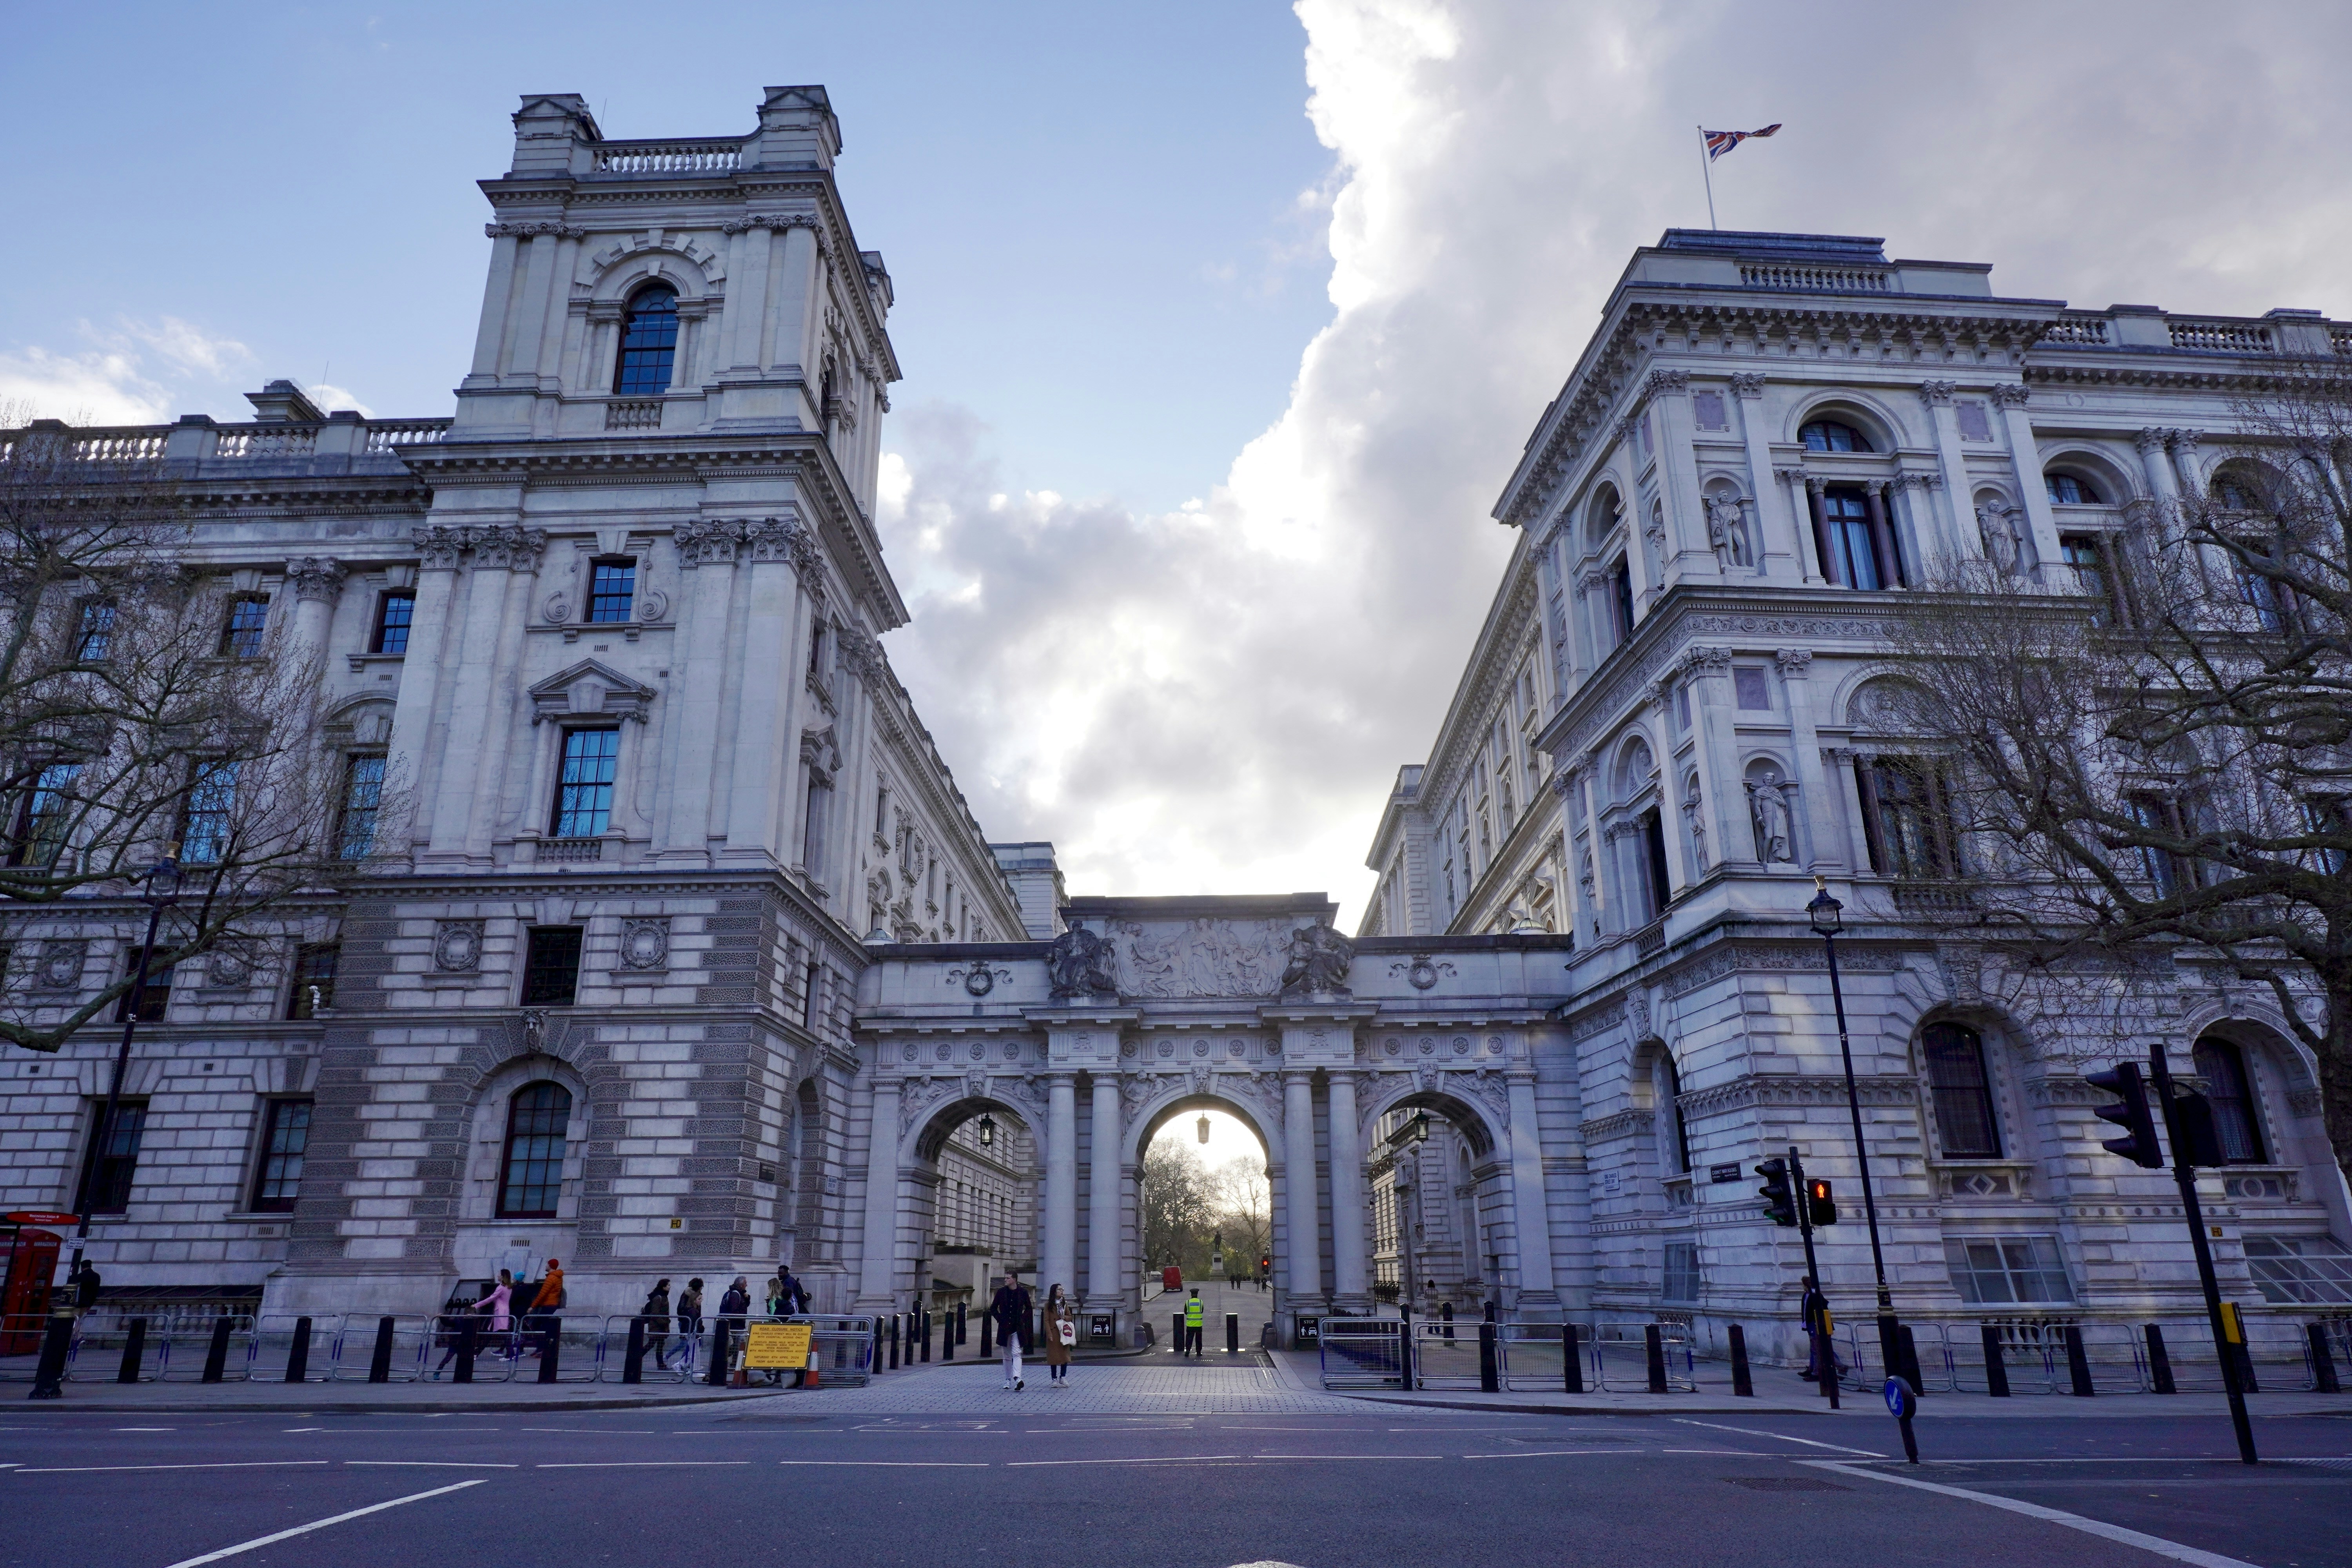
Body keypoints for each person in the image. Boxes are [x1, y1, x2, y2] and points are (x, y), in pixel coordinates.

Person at [990, 1269, 1033, 1390]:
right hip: (1004, 1328)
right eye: (1006, 1278)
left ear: (1015, 1280)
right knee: (1007, 1356)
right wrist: (1000, 1319)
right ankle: (1008, 1379)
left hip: (1017, 1328)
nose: (1005, 1280)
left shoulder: (1023, 1293)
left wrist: (1022, 1319)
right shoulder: (1001, 1292)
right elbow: (993, 1308)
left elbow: (1029, 1309)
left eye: (1008, 1278)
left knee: (1017, 1353)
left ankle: (1018, 1378)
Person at [1799, 1275, 1844, 1383]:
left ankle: (1818, 1372)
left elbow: (1823, 1306)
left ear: (1806, 1285)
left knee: (1819, 1349)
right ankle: (1812, 1369)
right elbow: (1805, 1311)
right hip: (1810, 1325)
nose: (1802, 1286)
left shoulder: (1815, 1295)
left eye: (1803, 1284)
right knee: (1815, 1349)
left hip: (1817, 1325)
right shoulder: (1806, 1295)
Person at [525, 1258, 564, 1360]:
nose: (546, 1266)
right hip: (552, 1305)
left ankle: (542, 1348)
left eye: (547, 1264)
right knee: (543, 1326)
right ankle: (541, 1348)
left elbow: (543, 1294)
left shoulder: (551, 1278)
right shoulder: (558, 1277)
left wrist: (532, 1307)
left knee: (537, 1325)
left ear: (551, 1266)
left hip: (548, 1305)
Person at [1041, 1284, 1076, 1387]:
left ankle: (1063, 1377)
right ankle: (1054, 1379)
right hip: (1054, 1332)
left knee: (1064, 1356)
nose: (1062, 1291)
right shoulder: (1049, 1305)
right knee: (1054, 1357)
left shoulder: (1065, 1303)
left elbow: (1070, 1317)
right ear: (1054, 1292)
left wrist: (1064, 1317)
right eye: (1060, 1290)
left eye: (1062, 1289)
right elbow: (1046, 1320)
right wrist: (1049, 1333)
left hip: (1063, 1333)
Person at [641, 1277, 674, 1370]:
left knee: (660, 1345)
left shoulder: (663, 1296)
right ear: (663, 1287)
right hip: (656, 1326)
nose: (670, 1287)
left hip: (661, 1325)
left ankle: (661, 1364)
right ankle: (637, 1358)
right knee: (651, 1344)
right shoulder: (658, 1297)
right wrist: (664, 1323)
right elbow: (655, 1314)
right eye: (668, 1285)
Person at [675, 1278, 705, 1375]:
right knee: (691, 1348)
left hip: (692, 1326)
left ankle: (689, 1366)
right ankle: (682, 1365)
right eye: (700, 1299)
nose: (701, 1301)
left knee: (694, 1348)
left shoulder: (694, 1303)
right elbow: (682, 1312)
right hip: (690, 1326)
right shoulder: (690, 1301)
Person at [1183, 1287, 1204, 1357]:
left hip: (1190, 1324)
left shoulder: (1188, 1302)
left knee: (1189, 1338)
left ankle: (1188, 1351)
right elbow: (1202, 1311)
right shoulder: (1200, 1302)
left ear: (1191, 1295)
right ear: (1197, 1294)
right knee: (1199, 1339)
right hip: (1199, 1324)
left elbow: (1186, 1312)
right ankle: (1198, 1352)